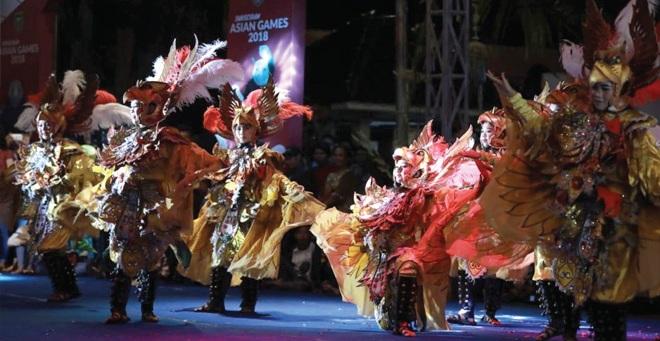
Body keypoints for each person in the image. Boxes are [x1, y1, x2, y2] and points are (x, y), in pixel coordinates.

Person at [483, 1, 660, 339]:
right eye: (595, 84)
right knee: (574, 289)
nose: (599, 92)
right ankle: (564, 327)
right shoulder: (577, 120)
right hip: (575, 219)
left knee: (607, 299)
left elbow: (652, 177)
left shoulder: (636, 129)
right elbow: (542, 130)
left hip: (615, 225)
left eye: (607, 86)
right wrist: (513, 98)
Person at [84, 37, 241, 324]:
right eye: (136, 106)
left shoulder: (169, 139)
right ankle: (118, 308)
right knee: (122, 254)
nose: (138, 111)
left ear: (160, 109)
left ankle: (146, 308)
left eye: (146, 106)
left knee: (151, 257)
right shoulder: (126, 138)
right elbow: (112, 164)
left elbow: (193, 157)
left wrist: (219, 162)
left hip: (156, 204)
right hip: (126, 201)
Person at [312, 123, 484, 336]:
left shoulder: (427, 196)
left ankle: (403, 322)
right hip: (383, 256)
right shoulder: (388, 197)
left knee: (408, 266)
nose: (400, 172)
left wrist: (480, 181)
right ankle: (396, 317)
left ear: (416, 171)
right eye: (398, 168)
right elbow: (368, 224)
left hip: (415, 252)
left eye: (405, 167)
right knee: (386, 310)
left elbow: (454, 201)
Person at [181, 77, 325, 315]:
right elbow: (212, 173)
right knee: (220, 253)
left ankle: (248, 304)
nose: (241, 131)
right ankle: (215, 301)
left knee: (248, 255)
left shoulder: (263, 156)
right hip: (226, 212)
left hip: (250, 213)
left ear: (256, 129)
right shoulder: (228, 155)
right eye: (237, 127)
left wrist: (294, 191)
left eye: (246, 126)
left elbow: (275, 180)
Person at [13, 72, 104, 301]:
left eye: (48, 125)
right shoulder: (35, 150)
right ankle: (67, 287)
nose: (43, 129)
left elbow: (81, 173)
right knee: (45, 249)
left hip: (60, 205)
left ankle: (65, 288)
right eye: (41, 124)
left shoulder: (70, 149)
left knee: (51, 247)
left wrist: (62, 180)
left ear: (58, 126)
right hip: (41, 206)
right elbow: (25, 174)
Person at [320, 145, 359, 213]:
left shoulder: (350, 175)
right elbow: (326, 195)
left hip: (345, 211)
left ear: (347, 158)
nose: (337, 158)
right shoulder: (331, 175)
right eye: (335, 155)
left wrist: (321, 208)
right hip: (331, 210)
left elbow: (337, 196)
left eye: (340, 155)